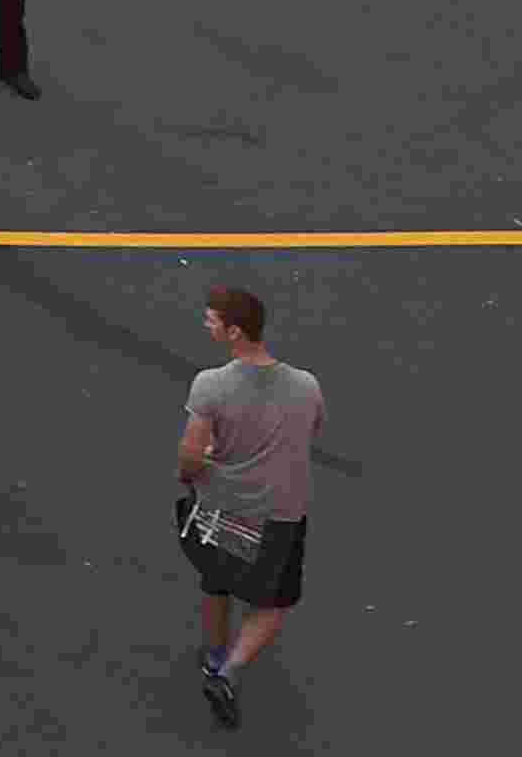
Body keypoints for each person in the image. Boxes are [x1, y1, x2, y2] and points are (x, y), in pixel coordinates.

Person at [171, 285, 321, 728]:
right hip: (279, 514)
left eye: (212, 320)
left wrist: (188, 475)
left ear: (234, 332)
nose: (206, 324)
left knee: (216, 581)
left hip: (220, 507)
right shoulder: (306, 385)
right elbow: (310, 431)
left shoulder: (209, 385)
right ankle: (230, 672)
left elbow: (190, 456)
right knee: (271, 602)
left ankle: (214, 656)